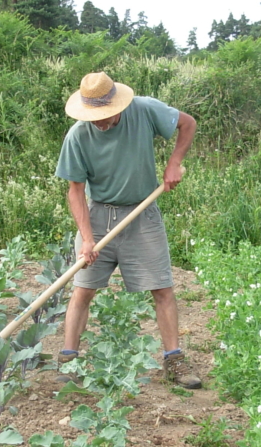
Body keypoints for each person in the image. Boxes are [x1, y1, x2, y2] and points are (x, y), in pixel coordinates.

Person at [54, 71, 201, 389]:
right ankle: (68, 360)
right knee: (83, 289)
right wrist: (88, 239)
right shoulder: (78, 136)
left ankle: (174, 360)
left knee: (162, 289)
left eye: (105, 116)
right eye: (94, 117)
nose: (100, 122)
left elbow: (187, 123)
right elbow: (75, 192)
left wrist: (174, 162)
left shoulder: (145, 110)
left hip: (142, 213)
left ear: (118, 104)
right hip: (98, 214)